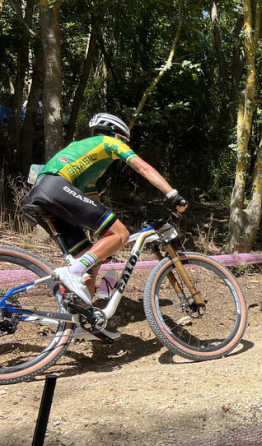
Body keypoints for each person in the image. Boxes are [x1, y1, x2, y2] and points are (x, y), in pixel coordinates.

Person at [25, 113, 188, 308]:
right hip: (55, 187)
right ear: (118, 136)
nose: (124, 146)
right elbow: (143, 168)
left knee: (91, 262)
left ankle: (77, 319)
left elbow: (95, 209)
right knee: (121, 234)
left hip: (41, 193)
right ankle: (72, 272)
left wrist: (106, 246)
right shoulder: (109, 141)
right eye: (125, 142)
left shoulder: (85, 161)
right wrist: (173, 195)